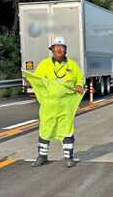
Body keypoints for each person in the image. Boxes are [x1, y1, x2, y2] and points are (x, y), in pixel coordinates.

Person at [32, 36, 85, 167]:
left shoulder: (72, 65)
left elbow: (80, 79)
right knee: (45, 130)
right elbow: (36, 81)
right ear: (52, 49)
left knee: (67, 130)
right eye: (56, 47)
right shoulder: (44, 64)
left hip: (66, 106)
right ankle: (42, 157)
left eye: (61, 47)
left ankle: (69, 158)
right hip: (48, 106)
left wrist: (79, 84)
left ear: (65, 49)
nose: (59, 49)